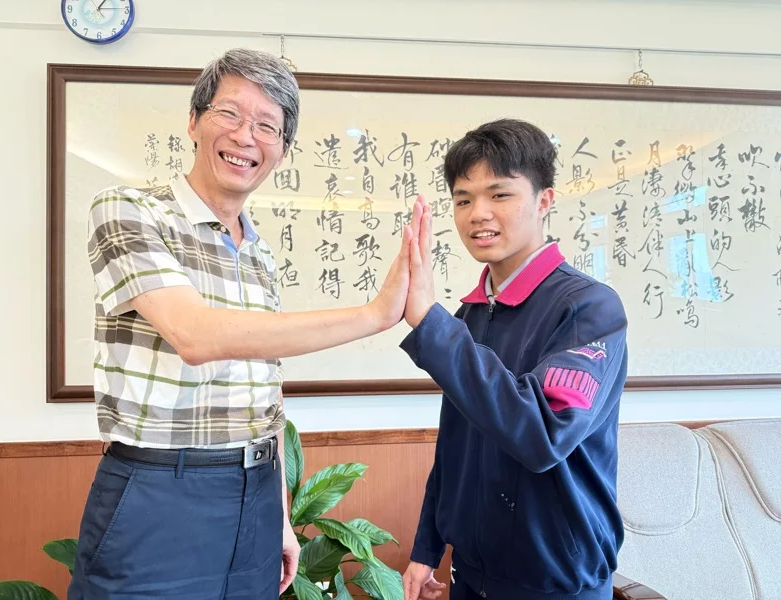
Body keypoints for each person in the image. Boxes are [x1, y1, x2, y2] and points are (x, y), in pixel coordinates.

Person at [68, 48, 420, 600]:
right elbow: (195, 335)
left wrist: (278, 515)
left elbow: (265, 392)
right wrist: (373, 315)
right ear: (194, 120)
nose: (245, 136)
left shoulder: (258, 254)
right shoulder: (129, 210)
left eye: (267, 126)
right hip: (160, 492)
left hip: (256, 494)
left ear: (281, 150)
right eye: (229, 113)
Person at [399, 119, 628, 600]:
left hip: (556, 583)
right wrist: (426, 547)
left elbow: (543, 433)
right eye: (463, 200)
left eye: (499, 194)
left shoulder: (589, 308)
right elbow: (455, 447)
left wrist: (430, 324)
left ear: (544, 200)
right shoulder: (469, 314)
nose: (478, 213)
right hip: (469, 575)